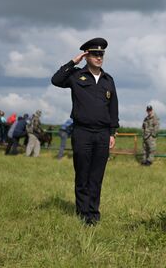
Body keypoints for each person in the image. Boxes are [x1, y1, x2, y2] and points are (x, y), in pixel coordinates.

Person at [51, 37, 118, 225]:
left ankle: (93, 213)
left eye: (101, 54)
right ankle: (82, 213)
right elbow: (56, 80)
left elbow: (113, 107)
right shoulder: (75, 76)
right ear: (87, 55)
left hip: (103, 134)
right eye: (95, 54)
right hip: (82, 132)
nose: (99, 57)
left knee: (97, 175)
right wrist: (74, 61)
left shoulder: (108, 80)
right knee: (83, 174)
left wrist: (112, 132)